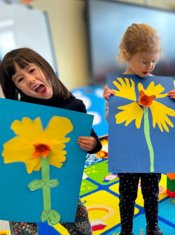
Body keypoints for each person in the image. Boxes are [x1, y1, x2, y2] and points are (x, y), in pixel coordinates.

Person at [0, 47, 102, 235]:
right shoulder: (18, 115)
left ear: (45, 68)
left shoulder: (74, 107)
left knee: (79, 219)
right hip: (22, 187)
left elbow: (92, 139)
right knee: (23, 229)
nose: (30, 80)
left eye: (31, 70)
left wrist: (93, 144)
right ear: (16, 88)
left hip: (59, 183)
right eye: (20, 79)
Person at [103, 23, 173, 235]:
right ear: (126, 55)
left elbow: (169, 120)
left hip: (151, 156)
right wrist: (111, 103)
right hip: (127, 156)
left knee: (151, 194)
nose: (150, 66)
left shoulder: (159, 86)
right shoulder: (117, 86)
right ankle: (126, 230)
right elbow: (110, 120)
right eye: (144, 61)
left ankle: (153, 227)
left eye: (153, 60)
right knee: (127, 195)